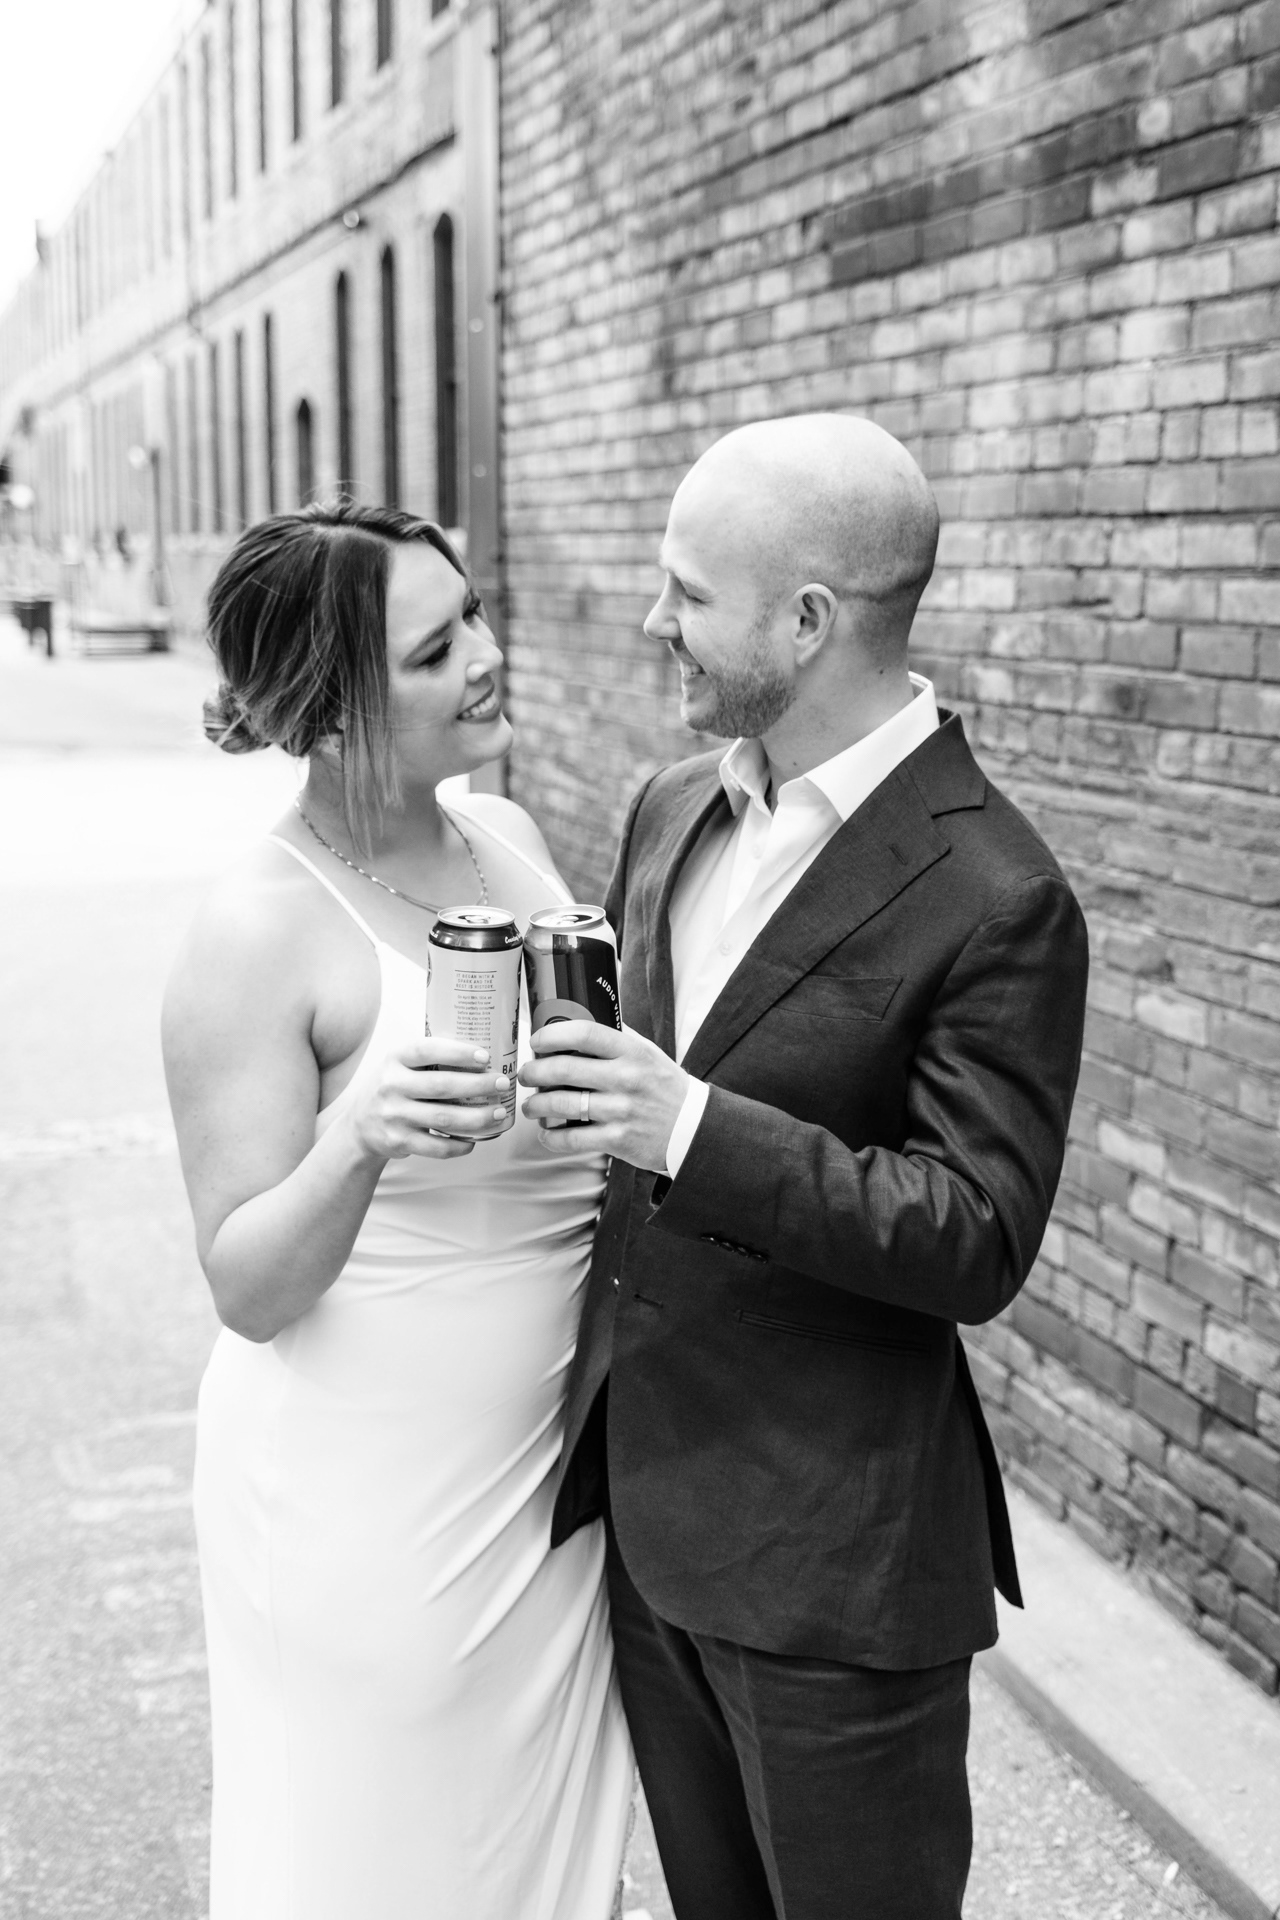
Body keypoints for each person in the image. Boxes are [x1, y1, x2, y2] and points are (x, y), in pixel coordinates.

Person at [520, 414, 1089, 1919]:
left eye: (687, 592)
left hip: (838, 1573)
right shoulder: (671, 806)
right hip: (647, 1522)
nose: (656, 622)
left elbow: (975, 1233)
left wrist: (688, 1128)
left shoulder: (999, 893)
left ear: (809, 621)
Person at [162, 503, 632, 1920]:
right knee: (382, 1869)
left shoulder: (509, 837)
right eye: (434, 652)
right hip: (368, 1517)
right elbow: (246, 1284)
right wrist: (360, 1134)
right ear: (331, 710)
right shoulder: (258, 927)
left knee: (545, 1872)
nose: (487, 655)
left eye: (471, 613)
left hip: (546, 1488)